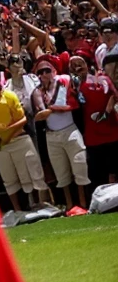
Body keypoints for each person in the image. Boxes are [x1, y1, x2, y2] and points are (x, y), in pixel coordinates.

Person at [0, 65, 50, 212]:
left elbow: (22, 120)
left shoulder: (9, 96)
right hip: (1, 144)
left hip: (18, 139)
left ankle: (39, 204)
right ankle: (17, 210)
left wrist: (6, 132)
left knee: (31, 173)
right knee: (9, 179)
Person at [33, 59, 90, 209]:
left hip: (69, 129)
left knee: (79, 166)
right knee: (61, 173)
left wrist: (52, 109)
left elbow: (72, 102)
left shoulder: (64, 80)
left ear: (53, 71)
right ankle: (70, 205)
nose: (44, 74)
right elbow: (40, 112)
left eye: (47, 70)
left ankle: (83, 204)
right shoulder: (38, 91)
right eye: (40, 72)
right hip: (52, 135)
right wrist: (53, 108)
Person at [67, 54, 118, 186]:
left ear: (87, 65)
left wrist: (106, 113)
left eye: (80, 63)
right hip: (92, 136)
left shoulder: (103, 79)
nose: (77, 66)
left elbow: (114, 96)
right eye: (73, 65)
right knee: (98, 173)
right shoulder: (71, 86)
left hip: (112, 131)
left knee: (114, 170)